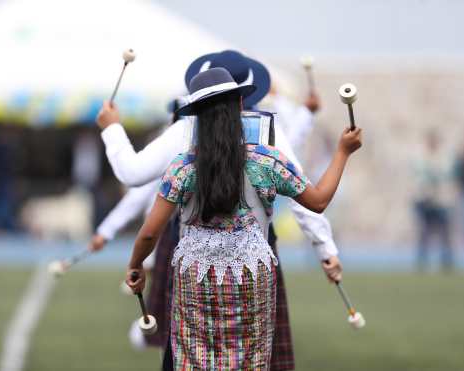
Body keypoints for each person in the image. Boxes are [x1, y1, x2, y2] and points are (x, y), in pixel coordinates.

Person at [97, 50, 340, 370]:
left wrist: (112, 127)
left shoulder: (184, 137)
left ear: (195, 107)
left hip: (194, 268)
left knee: (191, 355)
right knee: (253, 358)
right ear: (243, 98)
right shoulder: (269, 136)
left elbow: (133, 177)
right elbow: (306, 195)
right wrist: (325, 248)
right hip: (254, 265)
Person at [414, 130, 455, 272]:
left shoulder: (443, 157)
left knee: (445, 232)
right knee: (424, 232)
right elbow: (420, 177)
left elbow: (446, 176)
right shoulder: (422, 157)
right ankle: (422, 260)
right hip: (425, 200)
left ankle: (447, 260)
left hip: (440, 201)